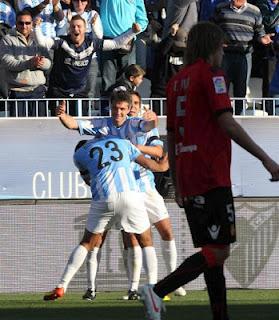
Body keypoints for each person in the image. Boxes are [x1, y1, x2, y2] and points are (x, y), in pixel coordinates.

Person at [140, 21, 279, 320]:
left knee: (211, 253)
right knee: (219, 251)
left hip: (189, 176)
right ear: (212, 46)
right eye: (221, 45)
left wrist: (176, 180)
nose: (223, 50)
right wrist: (266, 159)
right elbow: (226, 122)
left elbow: (173, 135)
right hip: (210, 173)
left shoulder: (177, 82)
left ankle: (220, 315)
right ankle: (157, 289)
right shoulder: (212, 75)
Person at [43, 135, 169, 301]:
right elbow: (155, 166)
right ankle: (153, 288)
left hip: (104, 197)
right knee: (146, 241)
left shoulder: (79, 153)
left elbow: (88, 179)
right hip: (130, 195)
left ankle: (62, 286)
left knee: (87, 243)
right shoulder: (124, 143)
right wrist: (169, 158)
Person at [33, 15, 141, 115]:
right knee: (58, 124)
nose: (76, 29)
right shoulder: (61, 41)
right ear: (69, 29)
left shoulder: (92, 43)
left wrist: (132, 32)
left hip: (80, 92)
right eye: (73, 26)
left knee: (79, 126)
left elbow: (116, 44)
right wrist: (36, 27)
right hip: (59, 92)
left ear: (85, 29)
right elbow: (42, 42)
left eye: (79, 26)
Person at [212, 0, 274, 115]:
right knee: (220, 88)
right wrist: (217, 40)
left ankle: (238, 118)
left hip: (244, 55)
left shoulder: (255, 11)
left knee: (241, 90)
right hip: (224, 55)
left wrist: (263, 39)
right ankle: (220, 117)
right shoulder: (220, 8)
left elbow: (259, 31)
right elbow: (213, 28)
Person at [97, 0, 148, 115]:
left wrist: (138, 27)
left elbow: (143, 20)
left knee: (129, 83)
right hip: (108, 42)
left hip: (128, 42)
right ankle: (106, 118)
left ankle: (129, 119)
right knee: (107, 84)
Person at [0, 10, 51, 116]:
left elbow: (49, 63)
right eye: (21, 23)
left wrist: (41, 63)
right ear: (15, 23)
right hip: (17, 91)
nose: (24, 26)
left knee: (41, 129)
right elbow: (7, 62)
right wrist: (29, 63)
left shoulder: (39, 38)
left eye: (27, 23)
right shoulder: (7, 40)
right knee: (19, 130)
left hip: (38, 90)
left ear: (32, 23)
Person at [56, 0, 103, 99]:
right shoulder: (66, 13)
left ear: (88, 2)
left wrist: (93, 26)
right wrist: (68, 24)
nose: (80, 3)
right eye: (76, 1)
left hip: (90, 58)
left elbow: (99, 38)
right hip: (68, 59)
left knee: (90, 90)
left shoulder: (92, 14)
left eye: (83, 1)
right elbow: (60, 36)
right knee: (67, 91)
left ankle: (88, 112)